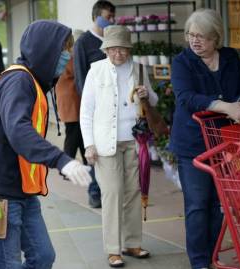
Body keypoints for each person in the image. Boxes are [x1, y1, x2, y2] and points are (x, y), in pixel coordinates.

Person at [0, 20, 92, 269]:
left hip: (21, 192)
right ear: (45, 50)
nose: (66, 57)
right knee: (7, 264)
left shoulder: (29, 81)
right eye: (63, 50)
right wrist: (61, 160)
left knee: (43, 256)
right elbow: (18, 130)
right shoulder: (19, 82)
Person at [170, 9, 240, 269]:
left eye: (202, 37)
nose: (195, 41)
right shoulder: (182, 62)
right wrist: (225, 106)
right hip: (192, 144)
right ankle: (199, 262)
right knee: (197, 204)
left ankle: (211, 255)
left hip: (225, 141)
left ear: (215, 38)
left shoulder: (229, 56)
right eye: (191, 35)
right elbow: (186, 98)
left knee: (220, 202)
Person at [80, 25, 158, 268]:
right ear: (106, 49)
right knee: (112, 193)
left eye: (122, 49)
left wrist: (147, 95)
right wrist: (89, 145)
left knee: (134, 192)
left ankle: (132, 243)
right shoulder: (96, 71)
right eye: (113, 49)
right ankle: (113, 249)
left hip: (135, 141)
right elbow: (86, 111)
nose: (118, 54)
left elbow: (154, 101)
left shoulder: (139, 70)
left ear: (128, 49)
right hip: (105, 143)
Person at [74, 0, 115, 208]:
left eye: (112, 17)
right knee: (92, 151)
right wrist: (89, 106)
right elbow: (80, 77)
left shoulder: (112, 39)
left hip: (113, 108)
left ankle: (109, 190)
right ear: (95, 17)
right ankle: (94, 191)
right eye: (107, 17)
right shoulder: (83, 42)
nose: (111, 21)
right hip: (95, 108)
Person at [55, 29, 87, 168]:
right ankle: (66, 166)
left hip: (70, 100)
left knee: (79, 134)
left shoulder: (64, 55)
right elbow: (78, 73)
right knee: (73, 135)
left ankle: (87, 162)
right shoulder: (70, 57)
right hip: (71, 101)